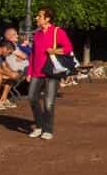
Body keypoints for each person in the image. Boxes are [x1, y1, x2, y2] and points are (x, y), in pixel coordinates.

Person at [28, 7, 74, 141]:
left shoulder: (57, 32)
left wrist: (54, 50)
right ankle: (39, 125)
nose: (37, 18)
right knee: (32, 97)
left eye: (39, 16)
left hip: (52, 71)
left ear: (47, 19)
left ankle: (47, 129)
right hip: (37, 71)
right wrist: (30, 71)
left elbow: (68, 48)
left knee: (49, 102)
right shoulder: (37, 34)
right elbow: (33, 54)